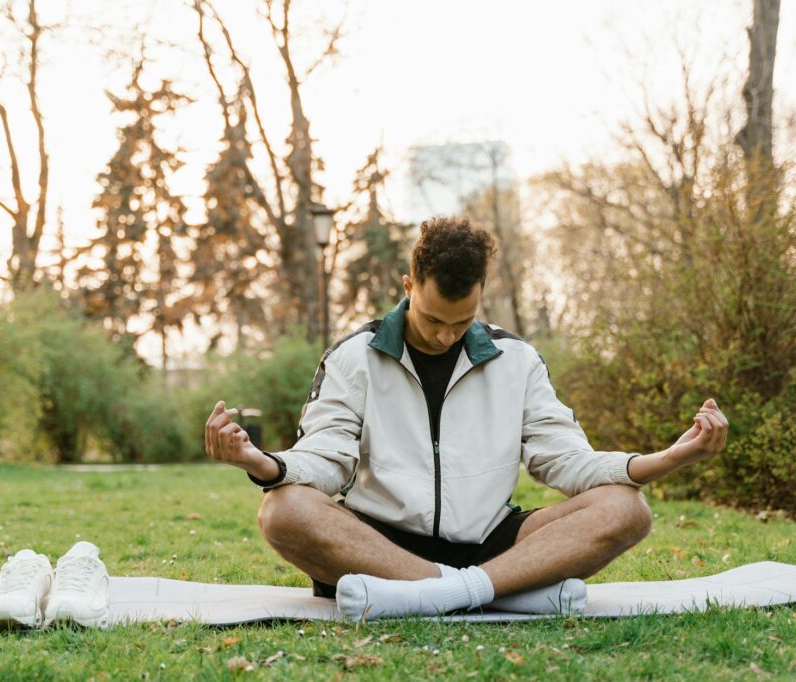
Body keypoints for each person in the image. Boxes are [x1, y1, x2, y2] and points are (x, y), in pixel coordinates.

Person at [205, 216, 729, 620]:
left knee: (627, 509)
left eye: (463, 321)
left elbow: (566, 460)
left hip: (493, 543)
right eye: (433, 318)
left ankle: (441, 595)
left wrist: (666, 459)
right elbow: (326, 459)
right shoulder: (353, 357)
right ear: (408, 285)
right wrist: (264, 463)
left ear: (481, 296)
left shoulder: (517, 360)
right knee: (283, 511)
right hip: (381, 545)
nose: (444, 336)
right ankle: (492, 594)